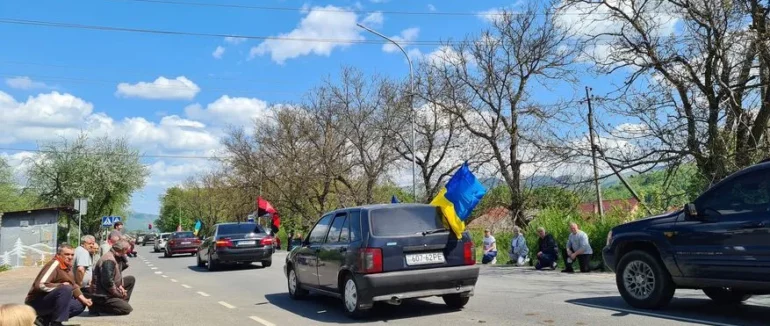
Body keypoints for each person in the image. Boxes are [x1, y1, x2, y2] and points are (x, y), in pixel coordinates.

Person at [25, 243, 92, 326]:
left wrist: (85, 300)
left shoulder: (68, 266)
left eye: (72, 255)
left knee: (79, 305)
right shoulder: (54, 264)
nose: (70, 257)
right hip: (36, 303)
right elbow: (40, 285)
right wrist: (60, 285)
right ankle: (56, 323)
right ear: (59, 255)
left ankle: (44, 320)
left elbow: (73, 285)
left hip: (49, 302)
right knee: (65, 289)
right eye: (67, 254)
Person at [89, 240, 135, 316]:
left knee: (131, 279)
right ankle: (98, 307)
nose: (127, 252)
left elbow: (120, 270)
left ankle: (120, 303)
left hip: (109, 288)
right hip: (102, 295)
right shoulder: (108, 260)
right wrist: (118, 294)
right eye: (126, 250)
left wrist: (120, 285)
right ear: (121, 250)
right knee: (127, 309)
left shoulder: (116, 256)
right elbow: (107, 282)